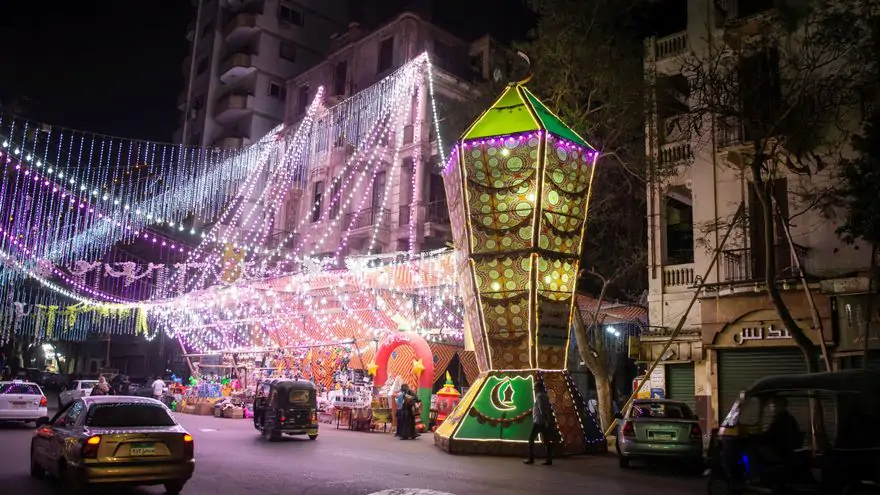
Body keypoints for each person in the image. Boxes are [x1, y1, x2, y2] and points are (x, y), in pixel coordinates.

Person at [524, 379, 554, 466]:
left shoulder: (539, 397)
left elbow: (542, 409)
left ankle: (531, 458)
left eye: (535, 387)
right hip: (543, 421)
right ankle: (549, 459)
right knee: (547, 441)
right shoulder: (545, 396)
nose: (534, 389)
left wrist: (545, 420)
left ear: (538, 388)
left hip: (539, 421)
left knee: (531, 439)